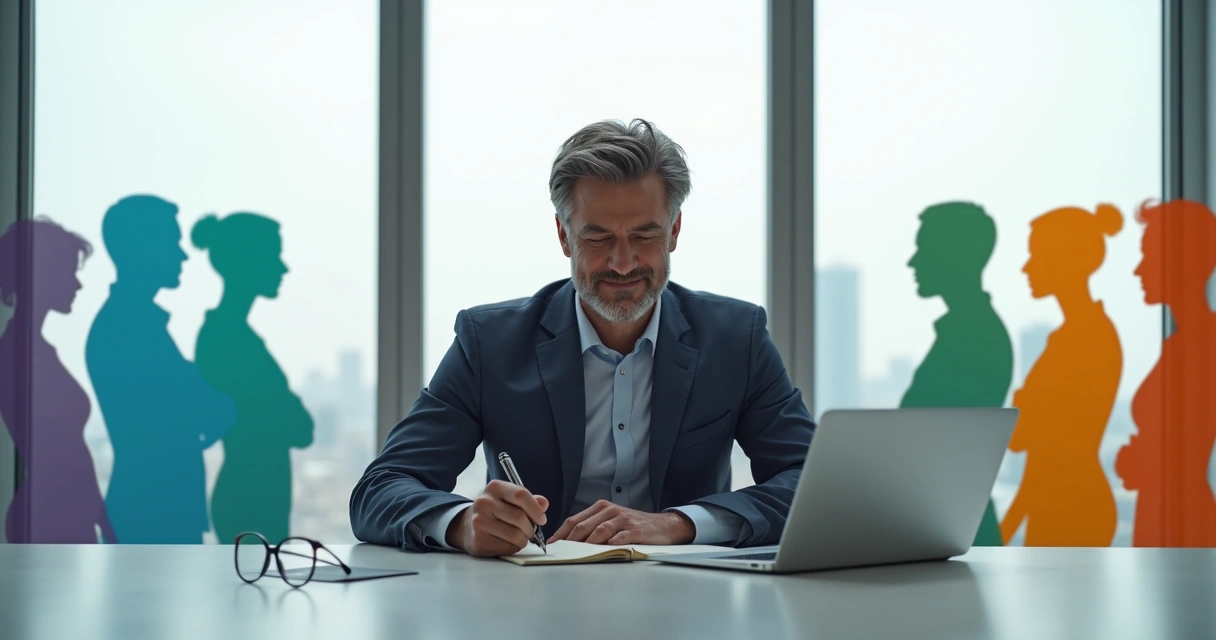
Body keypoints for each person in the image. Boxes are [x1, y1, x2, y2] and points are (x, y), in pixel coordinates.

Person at [351, 119, 816, 556]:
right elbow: (381, 489)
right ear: (563, 235)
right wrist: (462, 524)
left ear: (674, 231)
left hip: (688, 600)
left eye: (643, 235)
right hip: (532, 602)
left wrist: (678, 524)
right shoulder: (488, 342)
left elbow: (812, 483)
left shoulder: (737, 338)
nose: (622, 262)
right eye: (597, 239)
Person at [86, 195, 236, 544]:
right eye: (172, 242)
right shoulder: (128, 329)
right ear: (141, 249)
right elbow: (203, 409)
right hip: (153, 510)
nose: (182, 255)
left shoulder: (135, 326)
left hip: (154, 506)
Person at [1001, 204, 1123, 546]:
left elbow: (1033, 441)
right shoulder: (1078, 337)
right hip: (1062, 502)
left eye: (1035, 255)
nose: (1027, 267)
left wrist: (1008, 527)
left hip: (1071, 506)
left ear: (1065, 261)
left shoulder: (1085, 339)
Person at [192, 212, 313, 544]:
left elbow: (295, 426)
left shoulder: (233, 337)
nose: (283, 267)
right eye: (274, 254)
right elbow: (297, 427)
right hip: (249, 496)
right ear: (245, 262)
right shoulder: (227, 340)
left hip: (254, 492)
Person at [901, 202, 1013, 546]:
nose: (913, 261)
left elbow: (934, 447)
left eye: (923, 248)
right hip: (952, 523)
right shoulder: (969, 331)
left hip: (954, 529)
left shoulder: (974, 337)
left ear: (952, 256)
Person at [0, 218, 116, 543]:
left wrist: (100, 517)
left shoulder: (33, 350)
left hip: (63, 511)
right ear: (40, 272)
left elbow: (71, 450)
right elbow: (60, 453)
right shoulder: (17, 354)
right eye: (69, 271)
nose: (77, 285)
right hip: (50, 515)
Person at [1118, 199, 1216, 547]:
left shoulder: (1203, 344)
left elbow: (1186, 447)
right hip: (1162, 512)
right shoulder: (1180, 344)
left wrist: (1141, 461)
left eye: (1149, 254)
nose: (1139, 270)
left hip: (1185, 520)